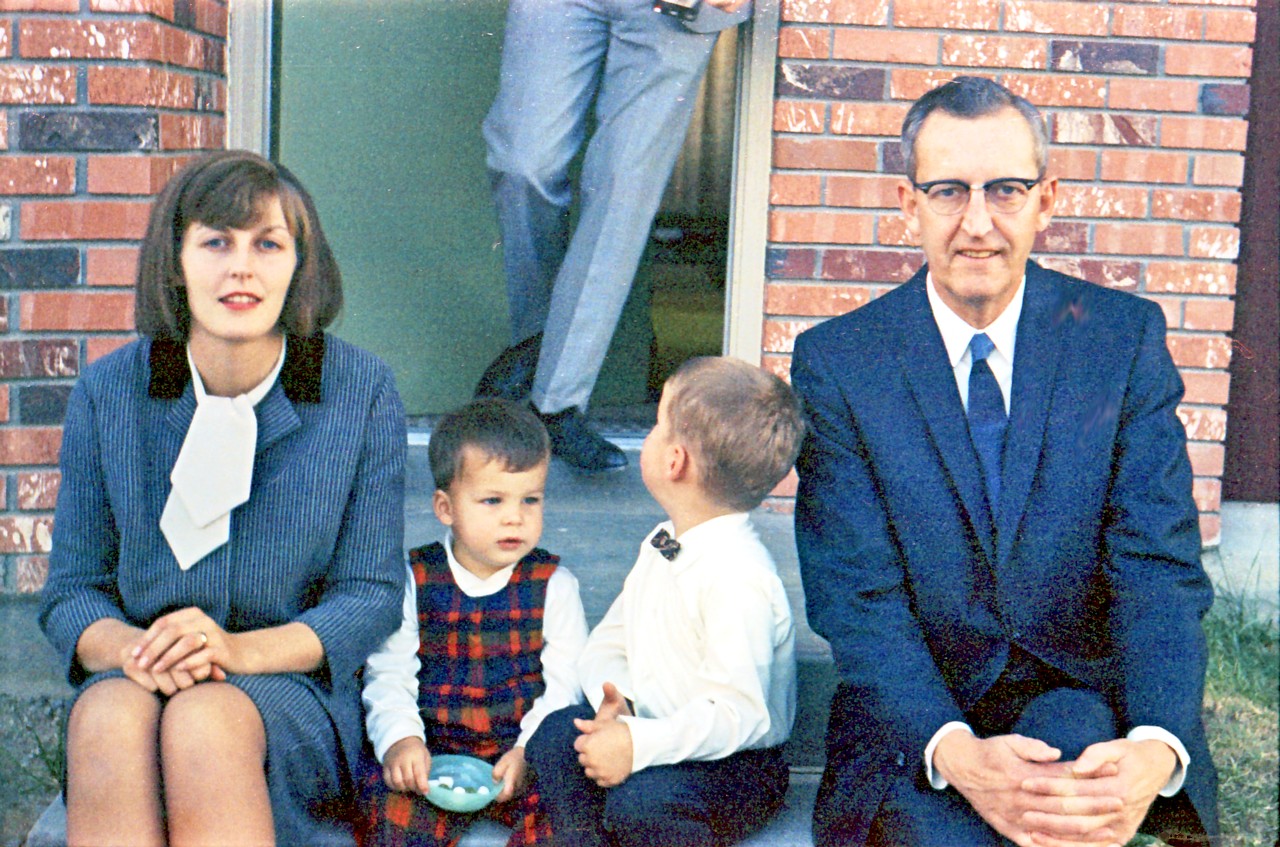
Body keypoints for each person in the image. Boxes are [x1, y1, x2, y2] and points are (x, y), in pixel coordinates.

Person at [791, 76, 1218, 847]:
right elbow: (857, 596)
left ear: (1046, 200)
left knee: (1072, 790)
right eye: (948, 191)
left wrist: (1157, 744)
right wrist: (957, 752)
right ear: (908, 204)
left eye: (1006, 190)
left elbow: (1156, 563)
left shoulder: (1119, 340)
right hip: (918, 724)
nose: (978, 223)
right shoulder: (841, 363)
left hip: (1074, 697)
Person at [38, 150, 407, 845]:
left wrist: (234, 651)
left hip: (286, 685)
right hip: (139, 670)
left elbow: (369, 595)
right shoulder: (110, 391)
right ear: (176, 262)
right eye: (216, 243)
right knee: (108, 717)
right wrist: (142, 649)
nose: (241, 268)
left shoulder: (360, 391)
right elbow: (72, 592)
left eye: (267, 244)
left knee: (203, 719)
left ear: (300, 264)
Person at [524, 355, 804, 847]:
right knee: (554, 737)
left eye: (656, 426)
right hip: (647, 729)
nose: (649, 436)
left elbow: (739, 715)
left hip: (732, 765)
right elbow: (608, 642)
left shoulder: (739, 578)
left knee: (643, 803)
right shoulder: (663, 543)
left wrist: (639, 743)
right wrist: (620, 703)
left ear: (675, 461)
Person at [474, 0, 751, 472]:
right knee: (523, 164)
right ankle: (538, 349)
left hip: (674, 9)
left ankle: (554, 401)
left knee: (623, 190)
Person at [359, 398, 590, 846]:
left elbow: (565, 687)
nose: (514, 516)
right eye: (492, 500)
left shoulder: (554, 585)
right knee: (389, 814)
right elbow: (389, 673)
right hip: (434, 753)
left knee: (567, 814)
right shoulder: (414, 579)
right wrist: (401, 740)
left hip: (519, 754)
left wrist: (528, 751)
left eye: (531, 499)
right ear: (445, 508)